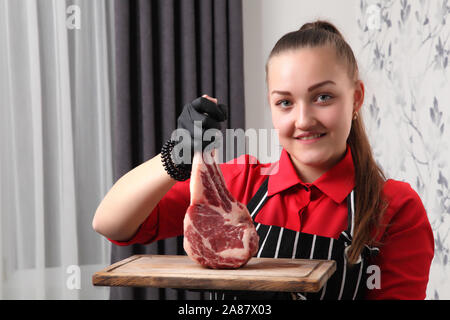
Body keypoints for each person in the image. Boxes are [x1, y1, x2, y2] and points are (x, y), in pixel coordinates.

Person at [93, 20, 434, 300]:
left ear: (356, 98)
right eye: (285, 102)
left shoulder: (395, 206)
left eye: (323, 97)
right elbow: (111, 223)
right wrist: (175, 155)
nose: (303, 119)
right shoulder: (236, 185)